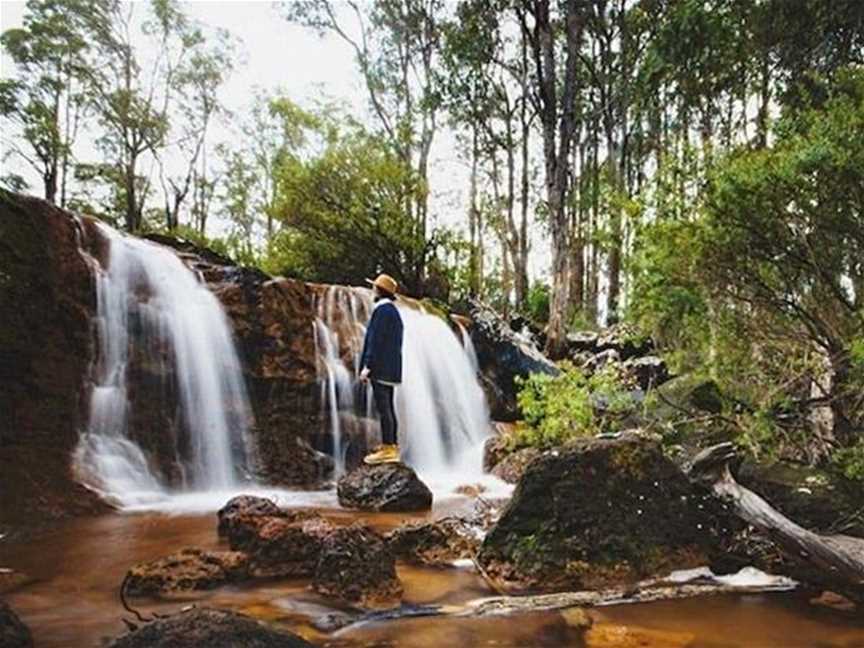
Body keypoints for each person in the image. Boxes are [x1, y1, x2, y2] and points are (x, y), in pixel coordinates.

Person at [359, 273, 404, 465]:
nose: (372, 291)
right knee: (389, 408)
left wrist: (367, 366)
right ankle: (391, 446)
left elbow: (375, 340)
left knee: (383, 407)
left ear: (379, 291)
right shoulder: (394, 313)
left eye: (374, 288)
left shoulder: (382, 311)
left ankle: (389, 448)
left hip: (381, 368)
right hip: (392, 368)